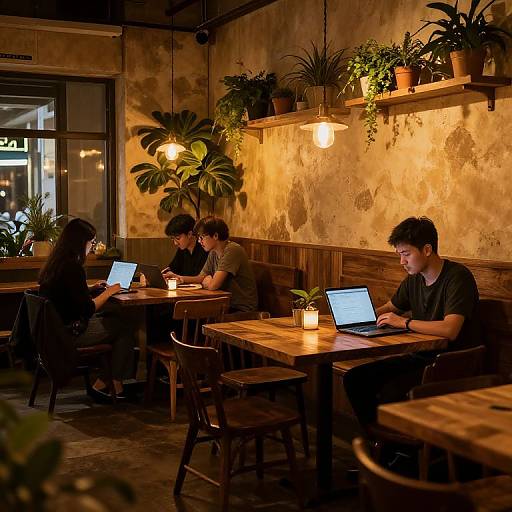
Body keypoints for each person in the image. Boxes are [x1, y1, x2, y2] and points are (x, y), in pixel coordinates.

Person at [344, 216, 480, 430]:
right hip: (422, 356)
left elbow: (450, 330)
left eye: (406, 254)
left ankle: (395, 449)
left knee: (379, 386)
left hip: (450, 363)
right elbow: (391, 307)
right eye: (399, 255)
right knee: (355, 378)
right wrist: (356, 317)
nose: (402, 262)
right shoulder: (414, 279)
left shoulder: (457, 278)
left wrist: (404, 323)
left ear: (427, 250)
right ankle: (383, 444)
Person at [39, 218, 135, 398]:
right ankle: (113, 385)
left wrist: (91, 289)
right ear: (80, 242)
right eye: (91, 242)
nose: (92, 246)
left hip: (53, 331)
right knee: (124, 329)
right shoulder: (73, 268)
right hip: (68, 334)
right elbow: (88, 309)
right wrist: (111, 291)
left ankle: (106, 383)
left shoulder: (56, 264)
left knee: (114, 320)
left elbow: (69, 296)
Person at [167, 216, 258, 313]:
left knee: (189, 315)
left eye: (202, 237)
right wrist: (179, 278)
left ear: (215, 236)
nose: (199, 241)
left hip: (241, 309)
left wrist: (209, 281)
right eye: (198, 238)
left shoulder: (232, 250)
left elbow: (213, 286)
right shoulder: (213, 252)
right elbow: (201, 277)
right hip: (224, 304)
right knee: (178, 312)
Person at [161, 214, 207, 279]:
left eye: (178, 238)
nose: (175, 243)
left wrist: (179, 277)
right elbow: (172, 269)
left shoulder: (204, 248)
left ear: (189, 234)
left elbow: (202, 277)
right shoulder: (182, 249)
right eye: (172, 239)